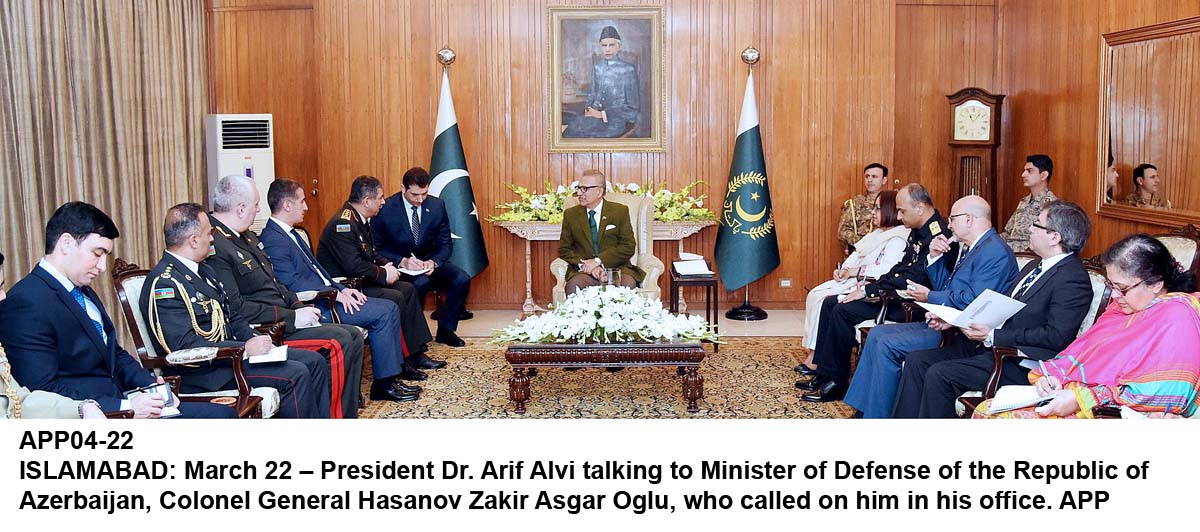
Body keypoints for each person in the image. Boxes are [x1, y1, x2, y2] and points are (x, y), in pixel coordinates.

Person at [0, 203, 235, 419]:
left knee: (223, 415)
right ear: (66, 243)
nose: (103, 267)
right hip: (98, 417)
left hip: (125, 403)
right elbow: (42, 390)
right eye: (97, 253)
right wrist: (123, 406)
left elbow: (114, 354)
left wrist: (153, 387)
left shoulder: (81, 290)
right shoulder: (26, 301)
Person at [894, 200, 1095, 418]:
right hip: (990, 346)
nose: (1029, 228)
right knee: (917, 361)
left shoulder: (1073, 279)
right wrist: (954, 320)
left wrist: (994, 335)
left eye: (1036, 224)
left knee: (939, 374)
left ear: (1054, 237)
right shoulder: (1033, 266)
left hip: (1021, 361)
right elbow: (1001, 307)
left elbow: (1056, 336)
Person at [976, 233, 1200, 418]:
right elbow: (1083, 353)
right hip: (1072, 398)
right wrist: (1052, 378)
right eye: (1111, 285)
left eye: (1122, 288)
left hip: (1112, 413)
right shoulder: (1120, 309)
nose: (1114, 295)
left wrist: (1082, 399)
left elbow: (1171, 393)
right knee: (987, 410)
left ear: (1156, 284)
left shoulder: (1178, 314)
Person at [140, 203, 329, 418]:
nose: (212, 239)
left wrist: (256, 339)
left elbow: (232, 316)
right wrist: (244, 348)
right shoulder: (165, 284)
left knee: (314, 361)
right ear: (193, 240)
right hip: (205, 373)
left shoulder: (204, 270)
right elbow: (185, 346)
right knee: (296, 374)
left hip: (231, 359)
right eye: (208, 233)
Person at [838, 196, 1019, 416]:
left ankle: (877, 416)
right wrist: (934, 257)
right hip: (944, 321)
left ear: (969, 219)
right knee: (877, 334)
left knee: (886, 343)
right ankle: (866, 411)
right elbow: (946, 287)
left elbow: (971, 301)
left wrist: (930, 296)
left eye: (952, 219)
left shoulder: (994, 251)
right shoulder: (972, 248)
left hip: (961, 334)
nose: (948, 224)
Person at [205, 175, 368, 415]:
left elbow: (275, 282)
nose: (259, 209)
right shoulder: (217, 246)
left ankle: (345, 413)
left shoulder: (246, 236)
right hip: (269, 326)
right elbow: (236, 307)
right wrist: (291, 317)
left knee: (352, 335)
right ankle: (334, 417)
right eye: (255, 205)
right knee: (339, 341)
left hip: (285, 315)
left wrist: (298, 305)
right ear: (240, 209)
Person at [260, 177, 425, 402]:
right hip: (316, 304)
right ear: (287, 205)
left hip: (332, 294)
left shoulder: (291, 234)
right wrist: (336, 294)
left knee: (389, 306)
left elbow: (320, 272)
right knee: (385, 311)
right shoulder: (274, 239)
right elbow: (292, 283)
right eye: (302, 201)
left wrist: (342, 290)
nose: (306, 207)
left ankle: (391, 377)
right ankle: (384, 384)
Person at [797, 184, 946, 401]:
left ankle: (836, 382)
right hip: (893, 292)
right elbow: (899, 269)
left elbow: (913, 278)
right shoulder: (918, 230)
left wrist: (869, 290)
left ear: (920, 208)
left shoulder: (937, 235)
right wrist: (869, 289)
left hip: (908, 303)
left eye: (902, 211)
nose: (899, 216)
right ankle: (824, 373)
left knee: (842, 311)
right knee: (831, 303)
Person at [316, 175, 440, 377]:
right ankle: (400, 363)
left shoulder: (360, 219)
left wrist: (388, 264)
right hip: (348, 288)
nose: (383, 202)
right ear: (367, 201)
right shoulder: (343, 224)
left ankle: (415, 353)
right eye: (380, 198)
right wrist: (383, 274)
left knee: (407, 289)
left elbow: (371, 254)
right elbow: (353, 265)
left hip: (362, 282)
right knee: (396, 296)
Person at [797, 190, 909, 373]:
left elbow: (883, 271)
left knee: (826, 301)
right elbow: (856, 255)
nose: (873, 212)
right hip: (853, 280)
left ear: (889, 210)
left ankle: (819, 359)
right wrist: (843, 270)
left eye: (878, 208)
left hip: (868, 286)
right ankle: (815, 353)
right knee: (815, 295)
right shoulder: (877, 234)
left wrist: (853, 272)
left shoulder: (898, 239)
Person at [373, 167, 472, 348]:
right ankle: (414, 337)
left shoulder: (437, 205)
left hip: (429, 261)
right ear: (403, 188)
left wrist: (434, 262)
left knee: (461, 278)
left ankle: (446, 330)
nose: (420, 200)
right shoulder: (386, 209)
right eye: (414, 195)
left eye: (424, 194)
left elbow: (446, 244)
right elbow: (376, 248)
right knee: (420, 283)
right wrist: (402, 261)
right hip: (399, 266)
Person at [1, 251, 105, 419]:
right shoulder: (27, 300)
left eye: (1, 287)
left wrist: (80, 408)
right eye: (96, 253)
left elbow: (19, 400)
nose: (3, 297)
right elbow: (41, 384)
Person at [558, 169, 644, 294]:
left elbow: (628, 246)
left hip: (617, 269)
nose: (579, 193)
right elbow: (565, 250)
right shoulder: (571, 215)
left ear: (599, 192)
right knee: (573, 286)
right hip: (585, 273)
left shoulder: (619, 211)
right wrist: (587, 266)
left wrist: (598, 261)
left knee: (627, 285)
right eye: (578, 188)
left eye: (584, 189)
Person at [562, 25, 640, 138]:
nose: (607, 49)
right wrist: (588, 109)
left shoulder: (629, 70)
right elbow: (592, 94)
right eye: (604, 45)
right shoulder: (597, 68)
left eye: (611, 45)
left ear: (619, 47)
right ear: (600, 47)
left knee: (577, 134)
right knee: (569, 129)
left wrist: (602, 114)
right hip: (592, 118)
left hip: (615, 122)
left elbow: (633, 108)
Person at [1000, 154, 1058, 252]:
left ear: (1043, 175)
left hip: (1028, 256)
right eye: (1024, 170)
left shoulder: (1050, 204)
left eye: (1029, 171)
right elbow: (1008, 232)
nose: (1023, 175)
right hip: (1010, 252)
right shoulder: (1024, 201)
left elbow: (1046, 241)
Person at [838, 163, 887, 250]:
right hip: (860, 252)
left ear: (884, 180)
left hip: (885, 250)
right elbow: (843, 231)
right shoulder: (854, 203)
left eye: (874, 176)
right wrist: (865, 243)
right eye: (867, 176)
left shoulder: (891, 203)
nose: (869, 180)